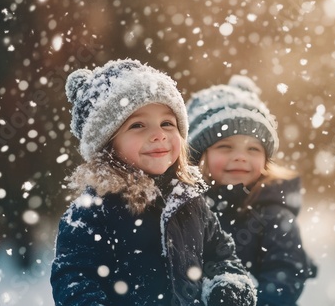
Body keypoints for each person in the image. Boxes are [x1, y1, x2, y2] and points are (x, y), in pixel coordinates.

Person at [50, 59, 257, 306]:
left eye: (167, 123)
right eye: (137, 125)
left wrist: (228, 287)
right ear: (107, 144)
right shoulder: (92, 212)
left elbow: (222, 256)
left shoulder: (189, 201)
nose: (158, 134)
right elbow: (74, 279)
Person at [186, 75, 317, 306]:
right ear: (198, 156)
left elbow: (285, 275)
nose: (240, 157)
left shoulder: (275, 214)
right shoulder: (184, 208)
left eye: (253, 149)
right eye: (225, 146)